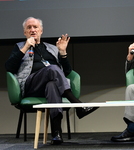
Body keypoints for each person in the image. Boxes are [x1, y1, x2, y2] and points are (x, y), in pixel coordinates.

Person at [5, 17, 98, 145]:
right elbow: (9, 67)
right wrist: (25, 47)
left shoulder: (52, 48)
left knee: (52, 85)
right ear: (24, 32)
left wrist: (63, 52)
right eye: (29, 28)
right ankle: (78, 105)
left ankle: (56, 133)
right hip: (30, 86)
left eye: (35, 27)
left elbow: (66, 72)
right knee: (52, 69)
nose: (32, 30)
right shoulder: (19, 47)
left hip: (49, 86)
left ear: (41, 30)